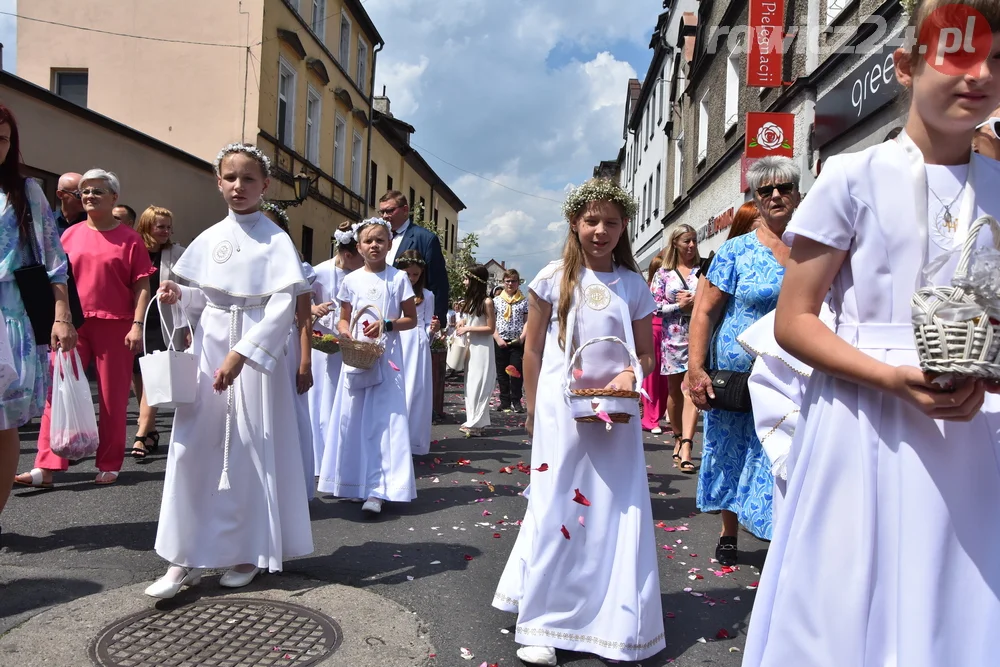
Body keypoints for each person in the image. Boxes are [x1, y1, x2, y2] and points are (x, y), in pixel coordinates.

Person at [742, 3, 1000, 664]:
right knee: (853, 599)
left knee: (960, 597)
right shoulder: (852, 176)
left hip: (974, 425)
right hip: (866, 415)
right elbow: (794, 320)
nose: (979, 76)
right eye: (958, 56)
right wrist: (890, 376)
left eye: (996, 61)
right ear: (907, 66)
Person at [493, 179, 663, 665]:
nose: (601, 230)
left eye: (611, 222)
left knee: (612, 506)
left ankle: (612, 618)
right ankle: (544, 620)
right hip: (558, 408)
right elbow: (531, 347)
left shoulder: (632, 285)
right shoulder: (552, 277)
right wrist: (529, 405)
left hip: (616, 411)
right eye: (592, 220)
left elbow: (646, 354)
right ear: (574, 222)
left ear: (624, 226)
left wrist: (633, 371)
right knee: (557, 504)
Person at [144, 143, 312, 598]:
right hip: (210, 349)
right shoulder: (209, 237)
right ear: (218, 182)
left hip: (254, 358)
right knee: (192, 448)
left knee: (248, 448)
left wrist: (243, 354)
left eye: (249, 179)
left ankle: (247, 550)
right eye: (230, 178)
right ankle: (182, 557)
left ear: (265, 185)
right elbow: (208, 298)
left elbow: (283, 307)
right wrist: (181, 298)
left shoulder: (276, 239)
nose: (239, 186)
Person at [685, 156, 801, 564]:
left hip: (792, 371)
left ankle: (776, 529)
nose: (775, 196)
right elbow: (704, 312)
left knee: (779, 449)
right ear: (755, 197)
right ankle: (729, 530)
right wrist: (695, 369)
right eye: (766, 190)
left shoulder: (811, 247)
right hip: (736, 372)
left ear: (797, 192)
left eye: (783, 188)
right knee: (731, 448)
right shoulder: (735, 250)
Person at [16, 169, 153, 488]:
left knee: (112, 398)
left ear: (115, 197)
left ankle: (109, 462)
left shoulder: (130, 239)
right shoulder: (68, 235)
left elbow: (142, 286)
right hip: (72, 325)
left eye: (97, 191)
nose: (89, 196)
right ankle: (46, 466)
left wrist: (137, 324)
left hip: (116, 326)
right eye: (85, 191)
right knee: (57, 392)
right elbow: (55, 280)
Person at [0, 104, 76, 536]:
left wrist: (61, 316)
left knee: (3, 422)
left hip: (9, 315)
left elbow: (54, 258)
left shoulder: (25, 190)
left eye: (3, 138)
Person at [318, 217, 418, 516]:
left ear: (389, 245)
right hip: (357, 357)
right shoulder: (350, 280)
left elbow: (410, 319)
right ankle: (353, 482)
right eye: (368, 241)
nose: (374, 245)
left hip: (385, 358)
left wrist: (387, 324)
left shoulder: (398, 278)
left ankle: (379, 488)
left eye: (380, 240)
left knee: (382, 421)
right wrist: (345, 331)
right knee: (353, 418)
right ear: (358, 247)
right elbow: (344, 317)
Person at [260, 201, 317, 501]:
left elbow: (304, 318)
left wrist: (305, 362)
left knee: (290, 417)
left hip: (285, 347)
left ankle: (292, 489)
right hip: (251, 343)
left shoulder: (295, 266)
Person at [130, 206, 187, 460]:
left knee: (153, 377)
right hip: (135, 321)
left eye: (168, 226)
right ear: (146, 226)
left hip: (163, 323)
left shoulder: (177, 254)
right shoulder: (134, 249)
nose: (166, 231)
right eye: (160, 226)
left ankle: (141, 433)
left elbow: (189, 290)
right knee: (138, 376)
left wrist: (186, 327)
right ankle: (151, 429)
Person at [307, 220, 363, 472]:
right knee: (323, 398)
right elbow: (299, 304)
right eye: (358, 257)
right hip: (323, 344)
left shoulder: (361, 275)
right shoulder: (318, 273)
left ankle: (345, 454)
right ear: (347, 254)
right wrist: (314, 308)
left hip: (353, 342)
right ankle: (321, 458)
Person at [650, 224, 701, 472]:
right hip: (672, 338)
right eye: (686, 242)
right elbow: (653, 306)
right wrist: (679, 307)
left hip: (698, 336)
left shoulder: (704, 270)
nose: (691, 246)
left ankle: (688, 445)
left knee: (692, 388)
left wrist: (697, 303)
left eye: (694, 241)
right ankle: (678, 436)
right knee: (674, 391)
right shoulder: (664, 274)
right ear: (676, 244)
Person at [378, 191, 449, 322]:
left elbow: (438, 284)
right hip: (381, 312)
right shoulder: (377, 238)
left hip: (412, 316)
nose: (384, 216)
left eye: (389, 211)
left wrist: (437, 321)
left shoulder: (425, 239)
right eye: (381, 212)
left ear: (405, 210)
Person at [395, 249, 440, 454]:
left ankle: (413, 440)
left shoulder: (427, 295)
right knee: (397, 388)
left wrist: (433, 330)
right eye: (408, 274)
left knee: (416, 389)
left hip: (417, 343)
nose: (412, 278)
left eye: (416, 274)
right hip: (398, 340)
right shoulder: (393, 290)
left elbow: (426, 325)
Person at [457, 264, 496, 437]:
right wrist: (462, 325)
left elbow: (490, 328)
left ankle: (475, 422)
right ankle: (474, 420)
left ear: (475, 281)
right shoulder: (469, 303)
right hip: (470, 348)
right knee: (470, 385)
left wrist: (468, 329)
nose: (464, 282)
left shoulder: (487, 302)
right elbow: (468, 323)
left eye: (466, 278)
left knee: (480, 384)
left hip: (483, 349)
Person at [493, 269, 529, 413]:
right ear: (503, 282)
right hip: (501, 339)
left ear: (518, 283)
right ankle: (504, 401)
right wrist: (497, 338)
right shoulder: (496, 301)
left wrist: (522, 338)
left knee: (516, 371)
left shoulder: (524, 301)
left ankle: (516, 400)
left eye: (513, 281)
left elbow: (527, 321)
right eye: (507, 281)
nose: (510, 284)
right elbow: (492, 321)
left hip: (517, 341)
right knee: (502, 372)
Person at [641, 250, 669, 434]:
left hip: (669, 330)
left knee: (665, 376)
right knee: (651, 375)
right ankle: (650, 418)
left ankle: (657, 415)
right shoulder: (647, 288)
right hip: (653, 328)